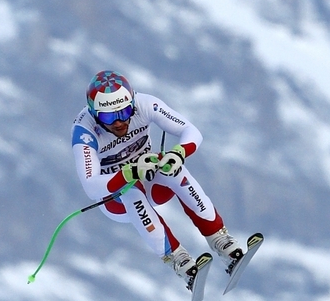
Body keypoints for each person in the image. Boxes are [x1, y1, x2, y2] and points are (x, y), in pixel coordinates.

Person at [71, 70, 243, 284]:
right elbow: (91, 186)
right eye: (108, 117)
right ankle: (178, 259)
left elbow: (191, 131)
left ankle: (220, 240)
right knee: (131, 191)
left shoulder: (145, 104)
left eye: (124, 112)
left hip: (153, 183)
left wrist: (178, 153)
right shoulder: (84, 131)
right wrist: (130, 172)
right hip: (117, 201)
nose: (118, 123)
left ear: (132, 104)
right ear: (94, 114)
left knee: (173, 167)